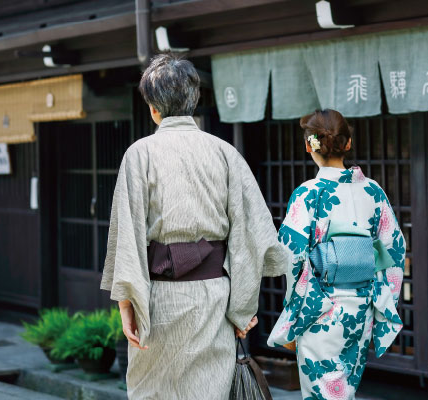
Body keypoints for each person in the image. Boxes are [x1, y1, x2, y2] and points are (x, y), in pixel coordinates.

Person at [100, 53, 288, 400]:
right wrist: (243, 308)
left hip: (158, 301)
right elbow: (251, 234)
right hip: (213, 299)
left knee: (153, 392)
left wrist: (127, 305)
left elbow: (126, 234)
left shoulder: (139, 154)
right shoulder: (224, 152)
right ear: (193, 100)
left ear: (153, 108)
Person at [267, 109, 406, 399]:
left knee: (323, 393)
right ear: (348, 143)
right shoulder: (373, 192)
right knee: (344, 391)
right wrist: (382, 300)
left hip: (320, 309)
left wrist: (294, 312)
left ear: (309, 146)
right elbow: (394, 249)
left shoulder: (308, 193)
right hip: (361, 310)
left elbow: (291, 256)